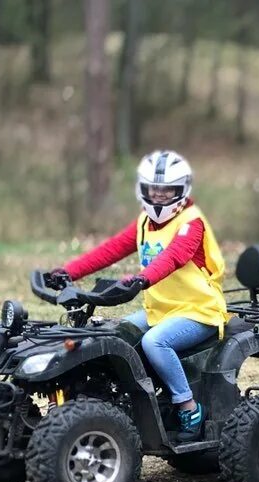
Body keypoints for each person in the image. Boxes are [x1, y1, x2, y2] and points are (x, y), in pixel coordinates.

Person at [51, 150, 228, 442]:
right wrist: (67, 271)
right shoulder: (144, 222)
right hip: (161, 309)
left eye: (166, 191)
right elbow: (110, 250)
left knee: (155, 342)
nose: (158, 198)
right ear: (142, 190)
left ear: (181, 191)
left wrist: (141, 279)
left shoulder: (191, 223)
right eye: (153, 191)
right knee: (116, 334)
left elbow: (173, 257)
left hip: (199, 311)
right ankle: (122, 401)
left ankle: (188, 407)